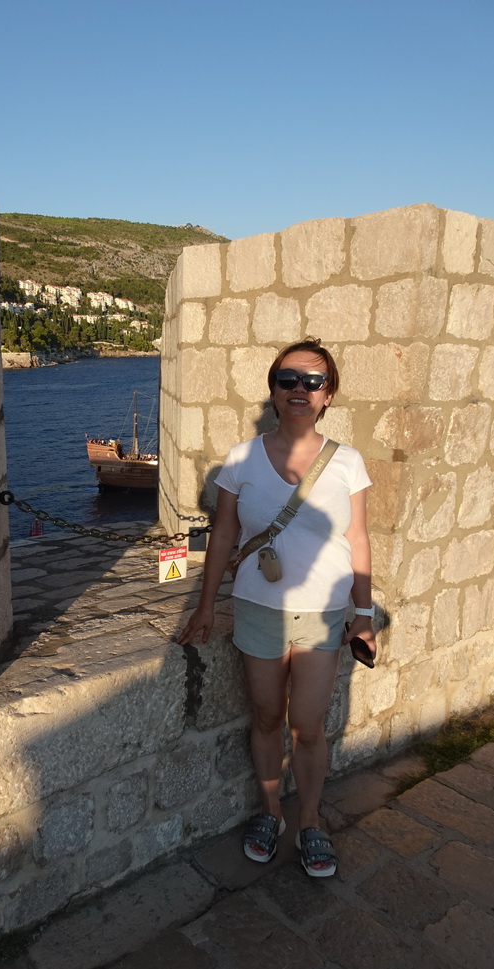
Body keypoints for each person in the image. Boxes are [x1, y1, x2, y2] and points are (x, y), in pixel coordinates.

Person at [177, 337, 376, 877]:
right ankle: (270, 813)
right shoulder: (242, 460)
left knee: (307, 726)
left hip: (322, 613)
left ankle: (310, 821)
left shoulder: (347, 462)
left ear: (328, 395)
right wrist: (204, 606)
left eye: (313, 381)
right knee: (266, 717)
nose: (299, 389)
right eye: (288, 379)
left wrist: (365, 612)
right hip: (258, 606)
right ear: (272, 388)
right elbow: (222, 536)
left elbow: (358, 539)